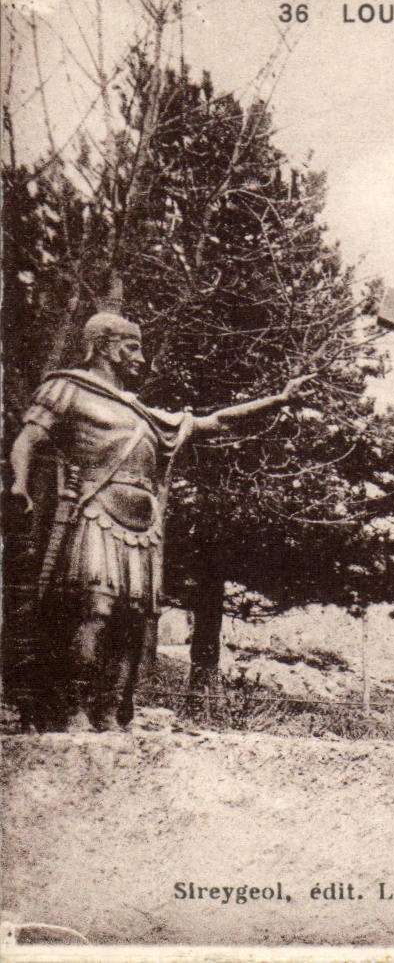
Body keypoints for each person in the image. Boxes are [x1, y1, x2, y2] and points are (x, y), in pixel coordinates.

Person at [6, 312, 313, 732]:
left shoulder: (142, 413)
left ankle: (109, 710)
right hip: (95, 513)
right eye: (132, 347)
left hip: (141, 527)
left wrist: (277, 400)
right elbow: (29, 438)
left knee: (132, 620)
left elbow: (214, 422)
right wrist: (18, 485)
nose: (141, 358)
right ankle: (72, 708)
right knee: (93, 610)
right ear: (105, 346)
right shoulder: (67, 388)